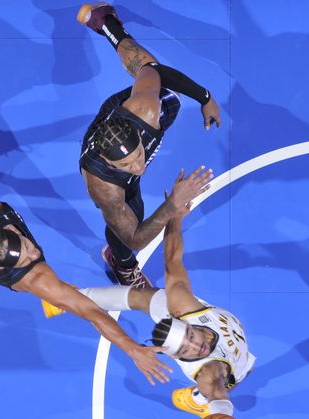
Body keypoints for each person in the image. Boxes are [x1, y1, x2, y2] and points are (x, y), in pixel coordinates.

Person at [43, 201, 255, 418]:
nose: (195, 347)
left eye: (190, 337)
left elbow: (172, 259)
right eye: (184, 351)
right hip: (234, 362)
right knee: (237, 374)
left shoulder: (183, 306)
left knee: (141, 297)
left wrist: (175, 216)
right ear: (174, 356)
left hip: (217, 347)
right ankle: (70, 298)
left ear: (188, 324)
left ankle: (198, 400)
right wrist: (223, 417)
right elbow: (219, 394)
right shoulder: (207, 370)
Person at [0, 170, 171, 384]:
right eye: (26, 259)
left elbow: (90, 311)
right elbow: (91, 311)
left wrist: (133, 348)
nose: (34, 253)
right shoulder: (35, 278)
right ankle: (58, 297)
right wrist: (133, 349)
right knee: (58, 294)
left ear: (11, 232)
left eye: (26, 246)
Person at [77, 3, 220, 288]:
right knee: (130, 222)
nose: (138, 166)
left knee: (150, 74)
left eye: (139, 155)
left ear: (139, 137)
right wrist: (173, 205)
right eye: (127, 165)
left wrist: (205, 97)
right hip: (110, 177)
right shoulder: (104, 186)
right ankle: (122, 265)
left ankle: (106, 25)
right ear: (111, 163)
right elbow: (135, 237)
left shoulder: (143, 110)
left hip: (121, 114)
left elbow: (151, 69)